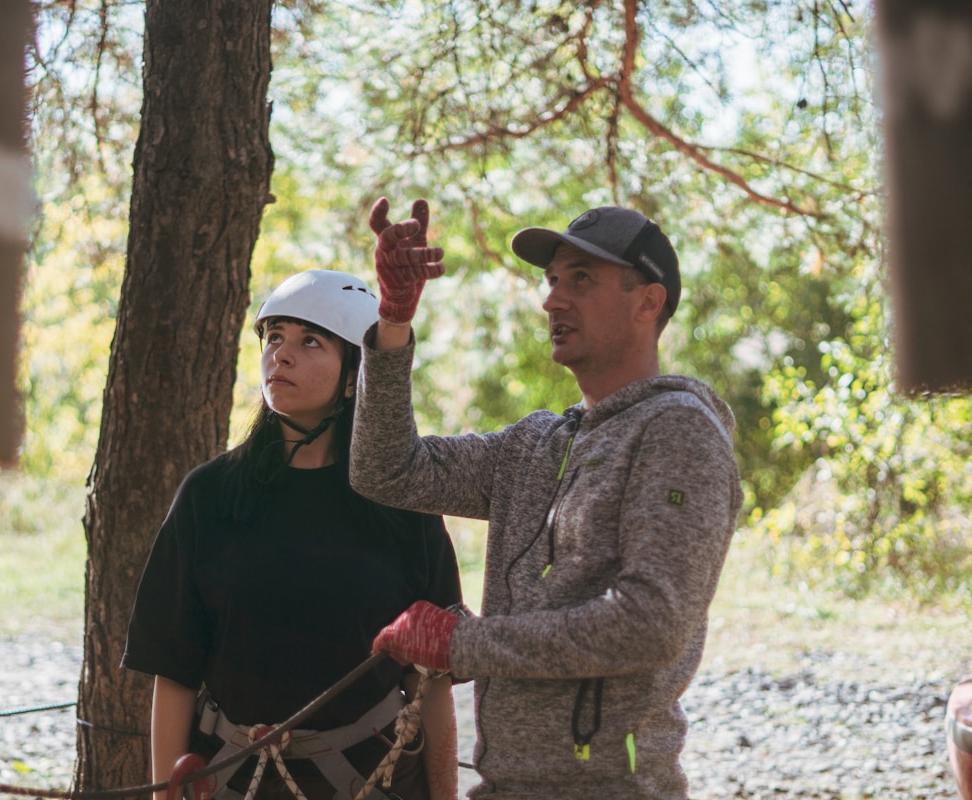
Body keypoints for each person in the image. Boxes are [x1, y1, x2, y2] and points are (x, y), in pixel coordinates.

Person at [350, 198, 743, 800]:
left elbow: (650, 625)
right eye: (553, 280)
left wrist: (461, 644)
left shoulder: (678, 431)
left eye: (581, 279)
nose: (552, 299)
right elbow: (387, 472)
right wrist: (393, 324)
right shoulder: (532, 443)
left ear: (648, 301)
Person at [121, 269, 464, 800]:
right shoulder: (210, 496)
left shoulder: (403, 500)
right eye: (275, 336)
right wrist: (164, 793)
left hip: (376, 781)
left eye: (310, 342)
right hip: (234, 780)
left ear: (356, 374)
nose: (281, 355)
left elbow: (431, 678)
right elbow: (174, 669)